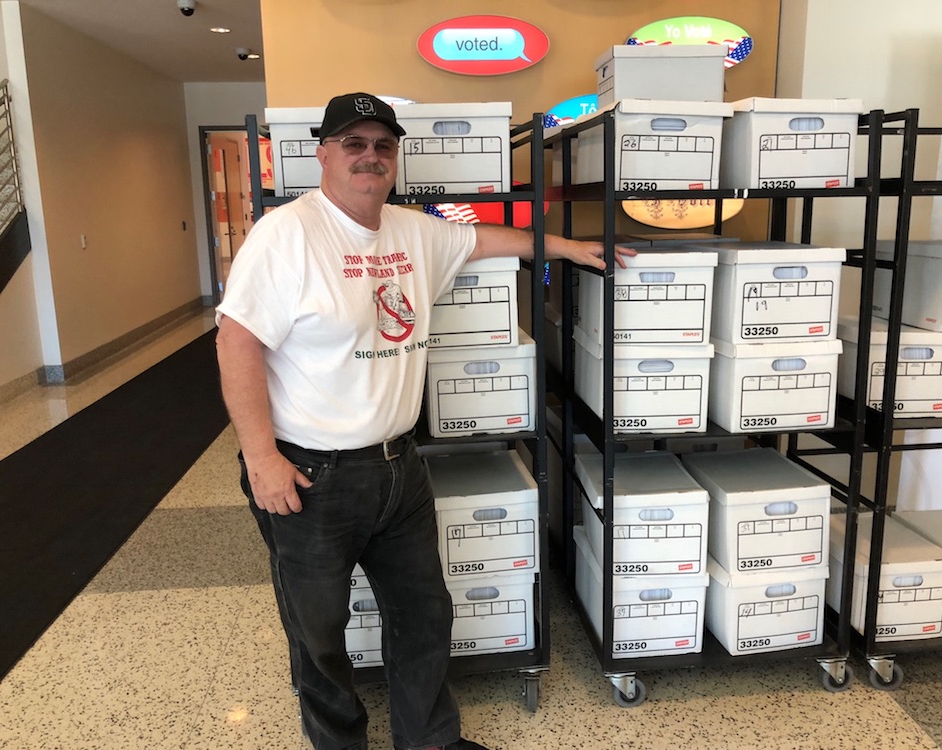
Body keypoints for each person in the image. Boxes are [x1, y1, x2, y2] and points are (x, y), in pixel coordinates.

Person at [215, 92, 633, 750]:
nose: (369, 156)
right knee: (318, 632)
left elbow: (485, 238)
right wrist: (262, 458)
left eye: (382, 145)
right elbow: (236, 343)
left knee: (423, 614)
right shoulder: (286, 236)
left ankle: (429, 742)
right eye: (353, 143)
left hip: (397, 468)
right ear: (322, 153)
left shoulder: (411, 230)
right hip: (308, 475)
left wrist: (564, 247)